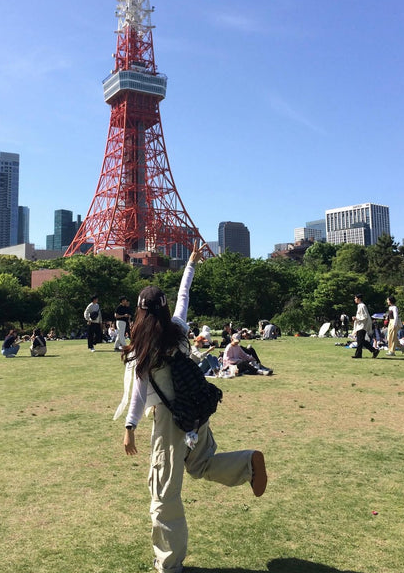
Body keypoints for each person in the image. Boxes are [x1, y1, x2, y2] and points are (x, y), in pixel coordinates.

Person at [114, 242, 268, 573]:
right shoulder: (179, 330)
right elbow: (183, 299)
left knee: (163, 496)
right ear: (164, 308)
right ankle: (247, 464)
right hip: (194, 411)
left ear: (139, 312)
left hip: (170, 423)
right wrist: (191, 266)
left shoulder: (143, 346)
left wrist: (130, 428)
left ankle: (168, 565)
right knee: (201, 464)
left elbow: (139, 393)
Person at [351, 294, 379, 359]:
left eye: (355, 298)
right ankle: (374, 350)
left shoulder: (362, 306)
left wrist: (356, 318)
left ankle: (358, 354)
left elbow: (365, 316)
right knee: (361, 340)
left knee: (360, 340)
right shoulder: (359, 306)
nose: (355, 299)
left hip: (362, 325)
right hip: (360, 325)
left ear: (359, 299)